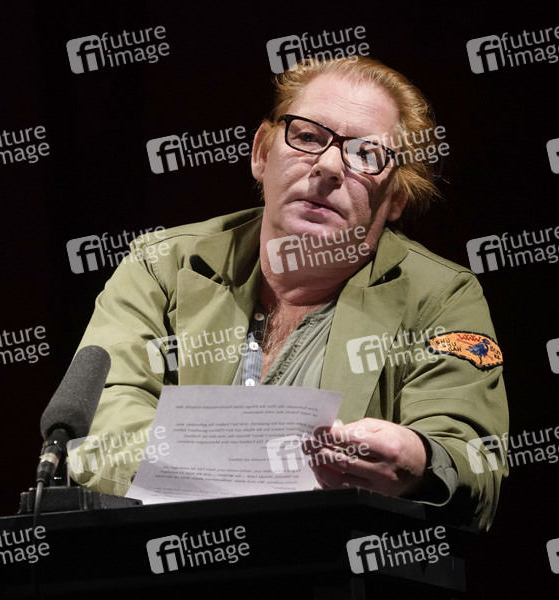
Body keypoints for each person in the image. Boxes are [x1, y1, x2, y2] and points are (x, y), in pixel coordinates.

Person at [70, 56, 508, 530]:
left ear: (396, 198)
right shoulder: (161, 266)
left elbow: (470, 457)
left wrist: (420, 461)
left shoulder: (441, 296)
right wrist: (263, 468)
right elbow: (102, 423)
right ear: (261, 152)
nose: (328, 166)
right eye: (309, 137)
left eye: (366, 154)